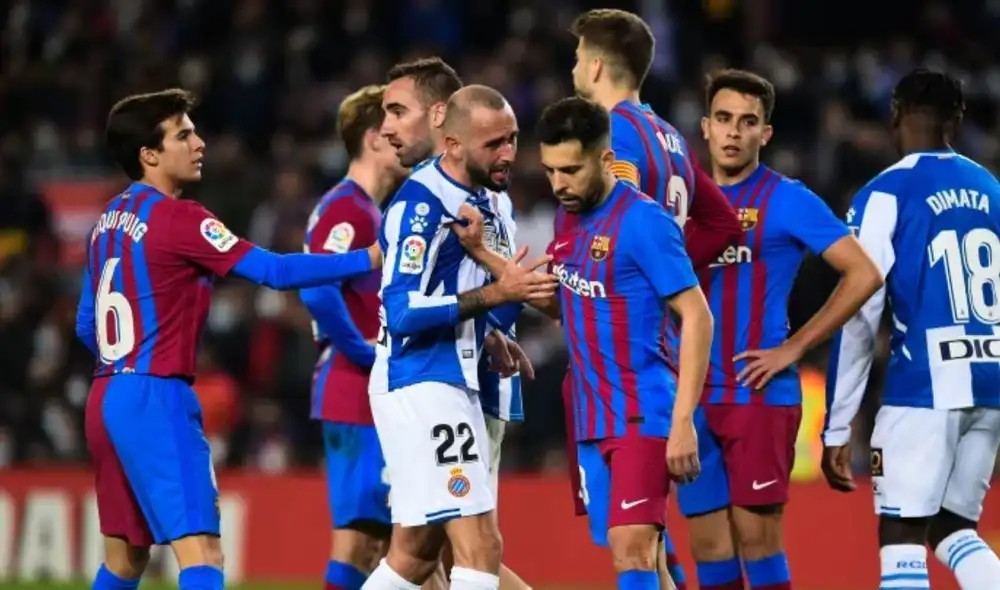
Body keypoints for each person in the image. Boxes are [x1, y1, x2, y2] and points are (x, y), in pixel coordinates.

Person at [77, 89, 380, 590]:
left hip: (106, 392)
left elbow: (87, 323)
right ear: (149, 155)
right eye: (183, 134)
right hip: (156, 396)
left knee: (126, 559)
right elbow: (276, 272)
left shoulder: (105, 223)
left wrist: (128, 362)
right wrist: (368, 259)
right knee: (204, 555)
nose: (199, 142)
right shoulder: (182, 218)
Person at [462, 95, 710, 590]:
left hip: (645, 410)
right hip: (592, 416)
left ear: (604, 157)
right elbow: (565, 305)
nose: (559, 184)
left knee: (631, 548)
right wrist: (486, 258)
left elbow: (698, 317)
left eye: (571, 170)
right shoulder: (568, 219)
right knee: (649, 559)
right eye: (552, 171)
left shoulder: (644, 222)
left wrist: (683, 421)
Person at [672, 69, 883, 590]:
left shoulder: (787, 199)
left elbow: (864, 273)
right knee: (709, 548)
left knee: (758, 542)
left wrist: (794, 348)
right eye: (723, 119)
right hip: (691, 397)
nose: (733, 132)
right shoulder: (681, 203)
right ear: (705, 126)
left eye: (748, 122)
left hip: (758, 394)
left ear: (764, 134)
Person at [566, 10, 741, 588]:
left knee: (634, 549)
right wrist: (670, 276)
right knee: (650, 549)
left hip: (627, 362)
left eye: (576, 57)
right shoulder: (667, 134)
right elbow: (721, 223)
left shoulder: (613, 136)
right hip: (651, 346)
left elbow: (623, 226)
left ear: (594, 64)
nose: (572, 67)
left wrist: (647, 284)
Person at [364, 85, 557, 590]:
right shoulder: (421, 207)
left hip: (455, 379)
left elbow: (477, 287)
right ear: (452, 144)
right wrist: (492, 300)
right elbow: (401, 312)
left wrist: (492, 329)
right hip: (424, 381)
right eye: (494, 143)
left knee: (416, 553)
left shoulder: (491, 200)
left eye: (513, 139)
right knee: (480, 547)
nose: (509, 153)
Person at [824, 68, 1000, 590]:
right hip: (989, 381)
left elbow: (858, 312)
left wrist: (838, 425)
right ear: (958, 119)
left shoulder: (885, 194)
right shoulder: (992, 188)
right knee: (953, 527)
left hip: (923, 386)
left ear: (895, 114)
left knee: (901, 531)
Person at [300, 85, 410, 590]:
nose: (406, 141)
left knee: (387, 543)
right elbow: (318, 291)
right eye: (394, 131)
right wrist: (365, 354)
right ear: (373, 138)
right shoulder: (348, 209)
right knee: (363, 540)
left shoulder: (367, 211)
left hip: (363, 391)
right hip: (353, 389)